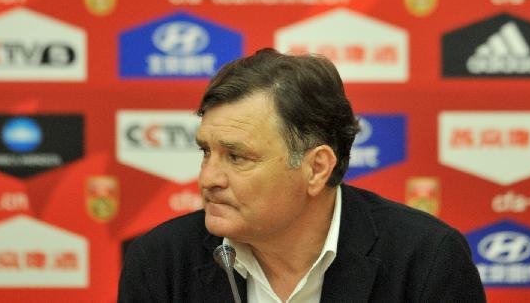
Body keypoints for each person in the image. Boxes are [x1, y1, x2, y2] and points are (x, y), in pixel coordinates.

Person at [119, 48, 486, 302]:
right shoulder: (161, 261)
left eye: (236, 157)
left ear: (316, 168)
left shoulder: (423, 259)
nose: (208, 178)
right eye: (206, 152)